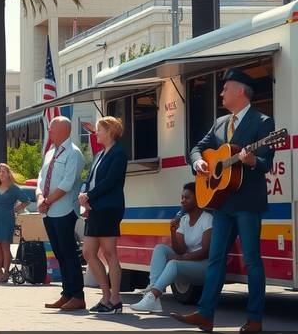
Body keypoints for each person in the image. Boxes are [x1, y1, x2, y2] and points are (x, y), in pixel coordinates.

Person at [173, 68, 275, 334]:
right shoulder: (219, 123)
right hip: (221, 203)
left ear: (240, 91)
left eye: (225, 88)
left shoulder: (263, 123)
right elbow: (196, 148)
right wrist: (198, 162)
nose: (221, 93)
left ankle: (254, 318)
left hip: (247, 202)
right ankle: (206, 314)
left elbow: (265, 163)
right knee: (216, 258)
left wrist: (252, 160)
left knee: (252, 260)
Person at [129, 183, 213, 314]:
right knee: (160, 248)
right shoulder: (184, 220)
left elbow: (205, 252)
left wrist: (181, 258)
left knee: (174, 264)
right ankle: (153, 297)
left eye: (187, 198)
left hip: (204, 266)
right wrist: (173, 231)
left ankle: (152, 296)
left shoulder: (207, 219)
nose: (182, 201)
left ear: (198, 200)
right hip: (188, 263)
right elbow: (179, 249)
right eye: (182, 197)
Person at [78, 116, 129, 314]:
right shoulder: (99, 154)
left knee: (109, 252)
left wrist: (89, 195)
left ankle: (115, 299)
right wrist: (84, 195)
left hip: (109, 208)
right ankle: (105, 296)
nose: (96, 133)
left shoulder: (118, 153)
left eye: (99, 130)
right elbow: (89, 178)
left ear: (109, 131)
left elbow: (109, 181)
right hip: (94, 208)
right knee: (88, 252)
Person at [37, 116, 86, 311]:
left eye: (51, 129)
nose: (49, 132)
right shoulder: (50, 152)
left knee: (69, 253)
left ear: (64, 130)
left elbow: (67, 183)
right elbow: (41, 178)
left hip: (64, 210)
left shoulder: (73, 153)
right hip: (48, 212)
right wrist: (40, 197)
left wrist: (47, 201)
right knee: (59, 253)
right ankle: (66, 294)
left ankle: (77, 295)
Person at [0, 163, 32, 284]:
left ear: (8, 174)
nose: (1, 174)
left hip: (6, 219)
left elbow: (26, 201)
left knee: (4, 247)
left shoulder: (14, 188)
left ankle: (5, 272)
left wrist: (14, 209)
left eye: (4, 171)